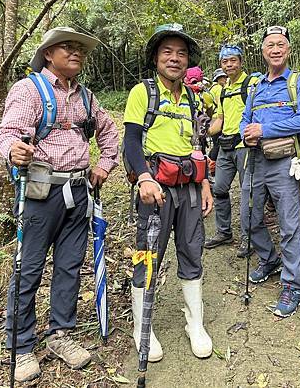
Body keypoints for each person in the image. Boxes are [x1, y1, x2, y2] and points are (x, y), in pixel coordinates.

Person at [0, 26, 120, 382]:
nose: (76, 53)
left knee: (69, 265)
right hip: (40, 193)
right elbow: (7, 134)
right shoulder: (29, 89)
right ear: (48, 53)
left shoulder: (87, 97)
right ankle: (21, 347)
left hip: (79, 191)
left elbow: (109, 133)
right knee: (29, 267)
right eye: (67, 47)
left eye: (80, 49)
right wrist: (13, 151)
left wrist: (104, 164)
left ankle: (60, 335)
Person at [123, 23, 214, 361]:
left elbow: (198, 145)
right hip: (155, 189)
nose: (175, 59)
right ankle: (141, 327)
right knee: (148, 256)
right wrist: (144, 178)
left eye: (181, 53)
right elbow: (131, 140)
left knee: (192, 251)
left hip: (189, 187)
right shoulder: (142, 93)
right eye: (167, 52)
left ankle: (196, 324)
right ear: (156, 58)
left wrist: (204, 183)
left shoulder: (193, 97)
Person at [240, 26, 300, 317]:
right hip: (255, 159)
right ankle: (269, 259)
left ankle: (293, 284)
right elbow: (246, 118)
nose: (275, 49)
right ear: (262, 51)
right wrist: (246, 132)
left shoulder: (299, 82)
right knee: (249, 217)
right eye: (270, 44)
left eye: (280, 44)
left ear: (289, 49)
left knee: (289, 225)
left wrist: (265, 129)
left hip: (284, 162)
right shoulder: (256, 86)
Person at [204, 45, 259, 257]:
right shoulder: (223, 90)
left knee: (248, 194)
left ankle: (249, 237)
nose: (229, 65)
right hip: (226, 146)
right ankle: (224, 231)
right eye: (225, 62)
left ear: (241, 61)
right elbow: (220, 118)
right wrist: (203, 131)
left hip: (245, 146)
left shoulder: (252, 83)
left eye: (233, 60)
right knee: (219, 188)